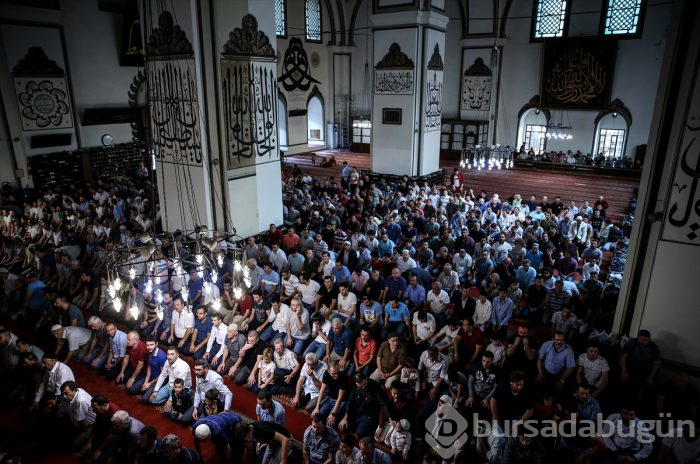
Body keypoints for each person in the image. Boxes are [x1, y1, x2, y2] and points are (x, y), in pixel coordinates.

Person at [339, 372, 384, 438]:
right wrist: (345, 417)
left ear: (366, 378)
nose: (363, 387)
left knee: (359, 433)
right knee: (344, 425)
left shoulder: (375, 386)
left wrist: (381, 425)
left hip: (369, 413)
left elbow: (383, 404)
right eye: (361, 386)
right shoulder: (355, 385)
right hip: (358, 410)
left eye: (365, 384)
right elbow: (350, 400)